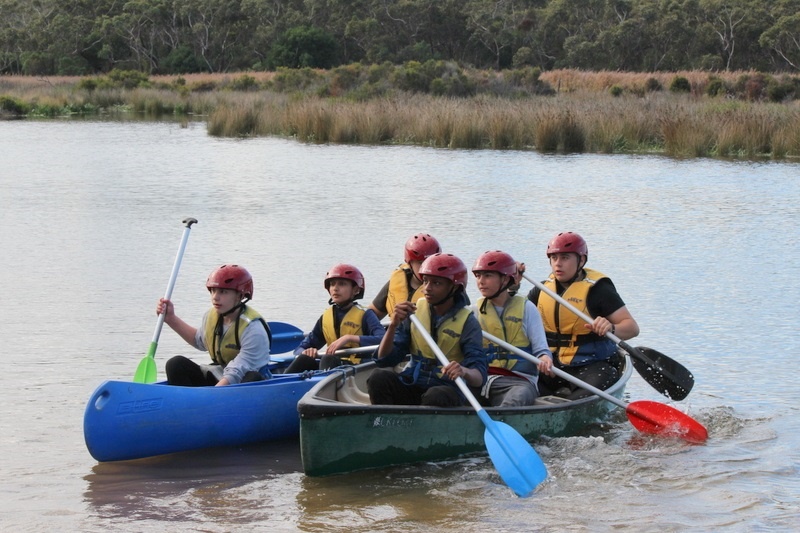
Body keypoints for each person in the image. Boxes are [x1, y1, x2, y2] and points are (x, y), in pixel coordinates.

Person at [526, 232, 640, 399]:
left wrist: (611, 327)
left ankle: (569, 403)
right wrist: (511, 286)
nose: (558, 264)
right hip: (552, 365)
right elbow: (516, 319)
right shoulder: (541, 290)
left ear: (581, 260)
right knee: (520, 381)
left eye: (565, 258)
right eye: (554, 258)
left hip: (592, 365)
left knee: (599, 382)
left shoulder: (599, 290)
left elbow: (632, 328)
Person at [367, 253, 487, 407]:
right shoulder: (414, 312)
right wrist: (393, 325)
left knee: (435, 395)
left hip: (446, 390)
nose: (427, 288)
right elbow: (385, 359)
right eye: (425, 281)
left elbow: (479, 377)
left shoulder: (468, 322)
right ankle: (384, 425)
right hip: (414, 383)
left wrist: (464, 371)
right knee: (378, 377)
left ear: (455, 287)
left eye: (436, 283)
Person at [157, 264, 272, 387]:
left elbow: (236, 372)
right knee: (175, 364)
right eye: (213, 291)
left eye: (223, 292)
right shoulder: (211, 316)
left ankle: (205, 403)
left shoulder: (254, 330)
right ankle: (184, 403)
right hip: (222, 377)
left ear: (240, 295)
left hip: (248, 382)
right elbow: (199, 341)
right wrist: (171, 319)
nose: (215, 297)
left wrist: (212, 396)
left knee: (251, 377)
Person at [472, 250, 553, 407]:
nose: (481, 281)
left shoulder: (527, 308)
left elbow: (541, 349)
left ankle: (503, 421)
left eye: (487, 276)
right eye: (478, 276)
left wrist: (545, 359)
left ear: (505, 279)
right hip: (484, 378)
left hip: (520, 381)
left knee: (516, 399)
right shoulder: (473, 311)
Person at [285, 263, 385, 373]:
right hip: (332, 366)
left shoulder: (366, 314)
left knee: (328, 358)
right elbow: (300, 349)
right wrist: (305, 351)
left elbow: (383, 339)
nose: (335, 289)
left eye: (342, 284)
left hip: (357, 368)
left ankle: (324, 387)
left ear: (356, 290)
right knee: (304, 359)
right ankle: (279, 387)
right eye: (332, 284)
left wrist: (349, 338)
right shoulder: (326, 317)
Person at [368, 232, 441, 320]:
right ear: (409, 263)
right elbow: (371, 316)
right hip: (395, 331)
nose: (427, 267)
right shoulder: (397, 281)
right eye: (421, 263)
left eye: (431, 262)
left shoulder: (445, 287)